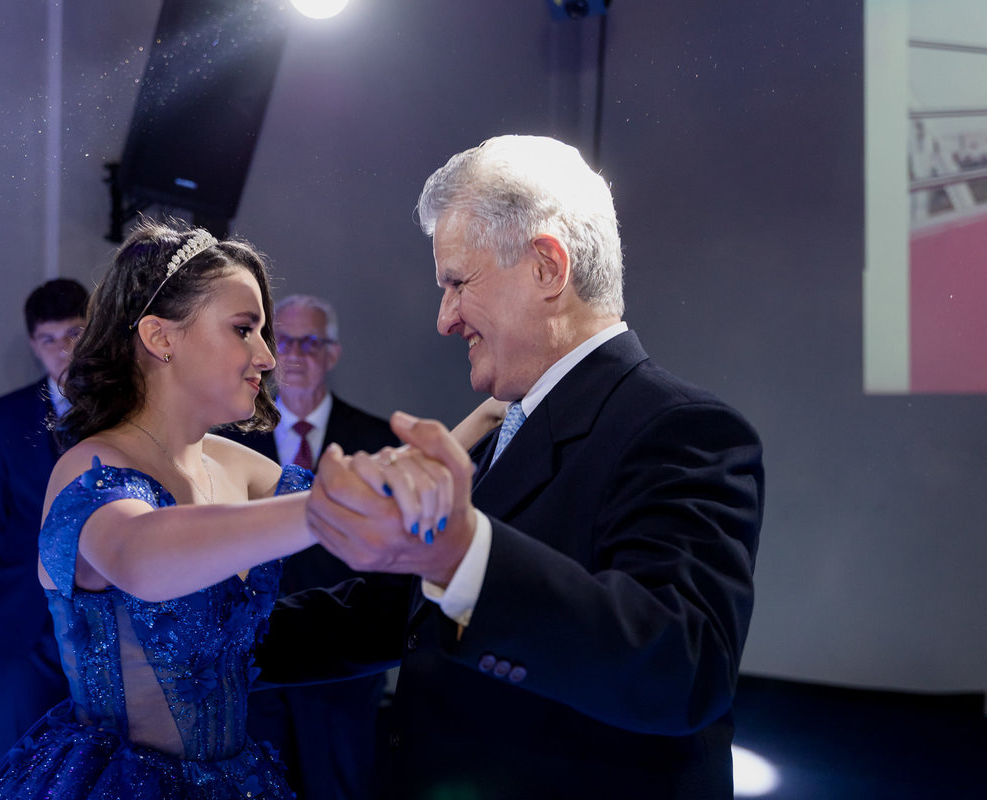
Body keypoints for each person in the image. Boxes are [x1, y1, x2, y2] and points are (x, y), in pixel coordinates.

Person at [267, 135, 766, 798]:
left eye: (456, 283)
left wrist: (462, 554)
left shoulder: (682, 429)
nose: (445, 319)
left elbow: (685, 668)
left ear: (547, 268)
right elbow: (395, 615)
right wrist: (210, 647)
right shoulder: (504, 429)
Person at [0, 219, 500, 800]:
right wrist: (324, 506)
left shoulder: (232, 463)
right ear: (160, 336)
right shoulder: (90, 466)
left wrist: (485, 421)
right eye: (244, 329)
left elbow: (372, 502)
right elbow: (140, 557)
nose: (268, 357)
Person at [218, 294, 398, 800]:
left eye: (310, 342)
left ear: (332, 353)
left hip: (342, 669)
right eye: (285, 341)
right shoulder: (230, 443)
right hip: (258, 665)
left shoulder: (377, 440)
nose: (294, 354)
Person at [0, 277, 86, 756]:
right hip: (23, 624)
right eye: (48, 339)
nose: (63, 350)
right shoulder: (6, 415)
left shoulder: (127, 412)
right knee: (22, 766)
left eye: (75, 334)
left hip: (109, 626)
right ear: (33, 344)